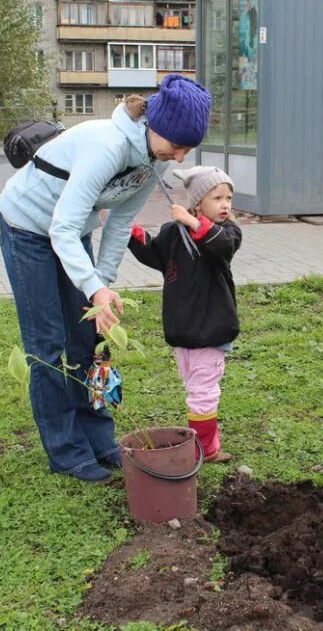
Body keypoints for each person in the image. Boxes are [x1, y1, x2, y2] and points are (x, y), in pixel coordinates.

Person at [0, 75, 212, 483]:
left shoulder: (154, 160)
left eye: (187, 150)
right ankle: (67, 451)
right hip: (27, 227)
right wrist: (93, 285)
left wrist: (102, 291)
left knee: (85, 339)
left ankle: (98, 439)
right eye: (178, 146)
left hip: (71, 234)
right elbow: (61, 228)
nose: (180, 158)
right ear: (156, 126)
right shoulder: (106, 145)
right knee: (48, 344)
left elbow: (120, 224)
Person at [128, 166, 242, 463]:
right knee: (194, 387)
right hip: (183, 328)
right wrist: (135, 234)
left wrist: (193, 222)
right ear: (197, 201)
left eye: (228, 197)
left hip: (211, 328)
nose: (225, 204)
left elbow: (222, 247)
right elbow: (156, 256)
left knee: (203, 391)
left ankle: (205, 449)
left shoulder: (227, 232)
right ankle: (208, 440)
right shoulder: (172, 232)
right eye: (217, 197)